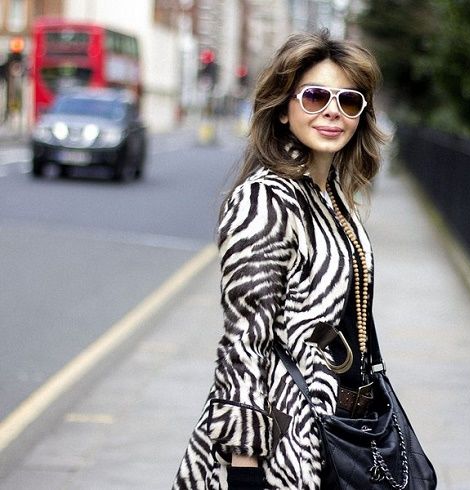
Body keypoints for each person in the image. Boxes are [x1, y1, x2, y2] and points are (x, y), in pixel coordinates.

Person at [172, 29, 386, 490]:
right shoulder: (265, 200)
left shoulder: (332, 196)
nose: (333, 111)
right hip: (282, 446)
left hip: (337, 430)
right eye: (315, 96)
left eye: (349, 101)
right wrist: (244, 469)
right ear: (285, 109)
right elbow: (244, 342)